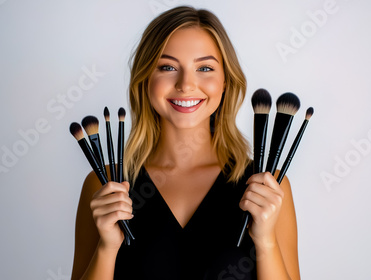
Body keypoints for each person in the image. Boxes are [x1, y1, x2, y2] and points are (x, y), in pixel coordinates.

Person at [71, 6, 300, 280]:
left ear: (225, 81)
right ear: (145, 80)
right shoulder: (104, 184)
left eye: (204, 68)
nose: (186, 84)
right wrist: (107, 248)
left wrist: (266, 243)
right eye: (167, 67)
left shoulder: (268, 186)